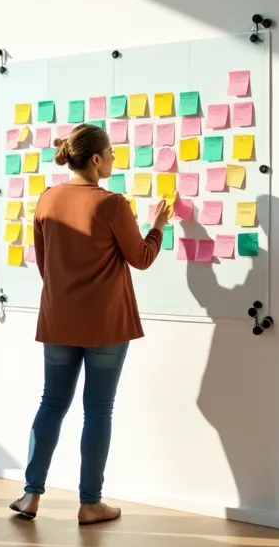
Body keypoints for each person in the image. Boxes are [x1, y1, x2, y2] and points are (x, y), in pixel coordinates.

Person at [9, 124, 170, 525]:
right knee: (97, 410)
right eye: (111, 153)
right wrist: (158, 226)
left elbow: (44, 264)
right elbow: (142, 258)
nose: (114, 159)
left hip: (59, 320)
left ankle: (31, 496)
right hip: (105, 325)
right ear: (96, 160)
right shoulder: (112, 204)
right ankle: (89, 503)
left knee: (51, 404)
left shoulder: (47, 199)